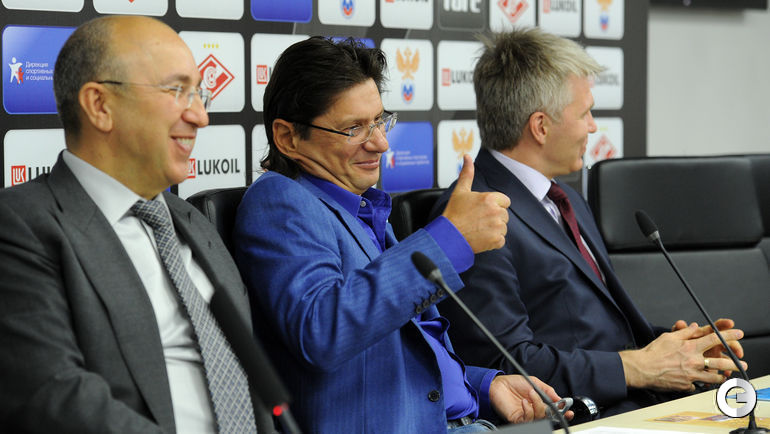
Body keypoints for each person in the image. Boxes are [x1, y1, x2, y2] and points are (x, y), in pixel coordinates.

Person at [233, 36, 568, 433]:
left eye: (379, 120)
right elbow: (322, 331)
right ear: (288, 137)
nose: (381, 143)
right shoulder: (280, 200)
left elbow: (397, 351)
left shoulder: (358, 206)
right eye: (353, 128)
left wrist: (482, 386)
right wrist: (450, 239)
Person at [429, 27, 746, 417]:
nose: (593, 126)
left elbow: (600, 332)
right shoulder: (475, 215)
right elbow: (504, 366)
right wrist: (638, 367)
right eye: (585, 113)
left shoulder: (566, 199)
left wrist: (683, 350)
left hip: (634, 404)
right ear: (541, 126)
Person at [0, 16, 273, 433]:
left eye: (199, 94)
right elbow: (53, 397)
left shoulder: (193, 221)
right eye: (177, 90)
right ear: (100, 106)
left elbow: (250, 380)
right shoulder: (21, 224)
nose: (200, 116)